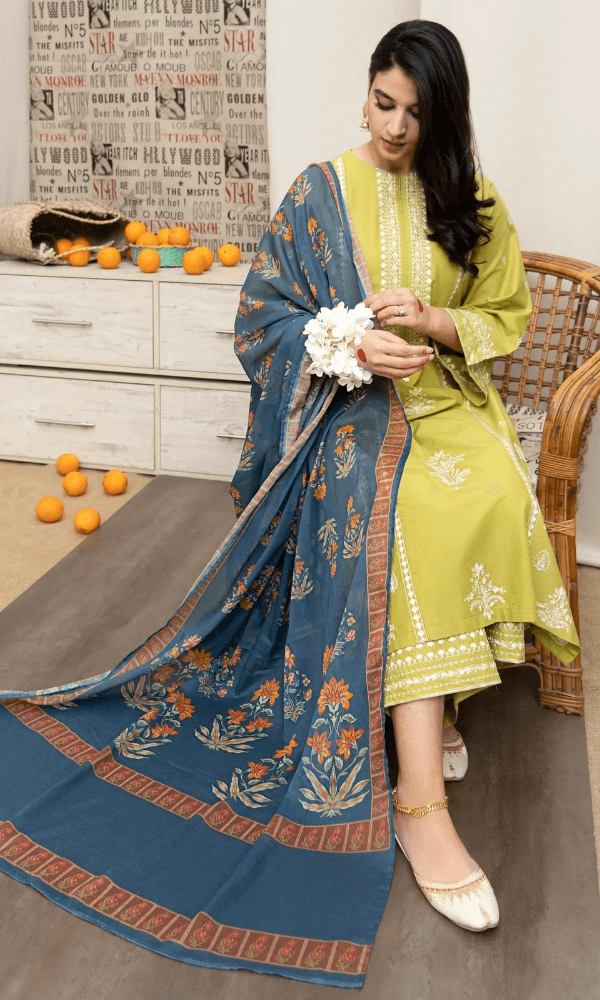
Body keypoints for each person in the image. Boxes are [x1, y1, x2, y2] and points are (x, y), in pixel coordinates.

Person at [0, 20, 579, 989]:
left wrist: (436, 320)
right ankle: (419, 802)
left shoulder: (471, 200)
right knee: (405, 510)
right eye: (383, 102)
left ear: (445, 117)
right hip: (346, 411)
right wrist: (350, 346)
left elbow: (505, 316)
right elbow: (261, 315)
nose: (394, 127)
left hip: (446, 402)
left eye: (416, 112)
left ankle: (429, 709)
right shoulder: (319, 192)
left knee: (482, 487)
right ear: (366, 91)